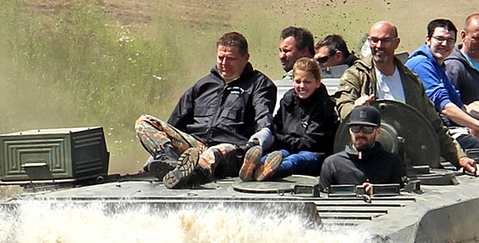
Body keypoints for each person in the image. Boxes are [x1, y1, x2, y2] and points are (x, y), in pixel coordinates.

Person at [135, 31, 276, 188]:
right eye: (220, 57)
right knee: (144, 122)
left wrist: (259, 139)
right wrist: (154, 155)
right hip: (195, 146)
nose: (224, 63)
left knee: (214, 153)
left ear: (246, 58)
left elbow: (264, 117)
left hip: (231, 149)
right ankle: (170, 163)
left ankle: (192, 173)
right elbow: (175, 123)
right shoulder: (202, 86)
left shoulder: (259, 84)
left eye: (230, 59)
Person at [336, 20, 478, 174]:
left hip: (408, 162)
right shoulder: (357, 76)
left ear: (396, 43)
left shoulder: (411, 81)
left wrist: (459, 157)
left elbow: (433, 124)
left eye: (385, 41)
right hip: (365, 161)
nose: (378, 46)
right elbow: (343, 107)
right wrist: (355, 110)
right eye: (374, 40)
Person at [406, 17, 479, 149]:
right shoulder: (421, 64)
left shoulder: (439, 66)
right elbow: (445, 107)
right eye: (439, 39)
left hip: (439, 128)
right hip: (422, 133)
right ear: (428, 40)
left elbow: (461, 107)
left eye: (449, 40)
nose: (444, 44)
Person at [243, 57, 339, 181]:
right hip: (287, 148)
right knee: (275, 155)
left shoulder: (324, 106)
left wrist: (280, 138)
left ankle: (271, 171)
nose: (302, 86)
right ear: (292, 80)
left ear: (318, 82)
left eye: (307, 82)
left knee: (294, 160)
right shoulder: (288, 99)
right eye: (297, 81)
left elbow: (310, 143)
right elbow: (276, 125)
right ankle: (253, 168)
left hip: (314, 154)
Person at [317, 105, 405, 192]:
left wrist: (378, 191)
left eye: (367, 129)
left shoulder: (392, 163)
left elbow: (402, 195)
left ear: (378, 132)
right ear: (350, 131)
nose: (360, 134)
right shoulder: (332, 164)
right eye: (356, 128)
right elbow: (323, 199)